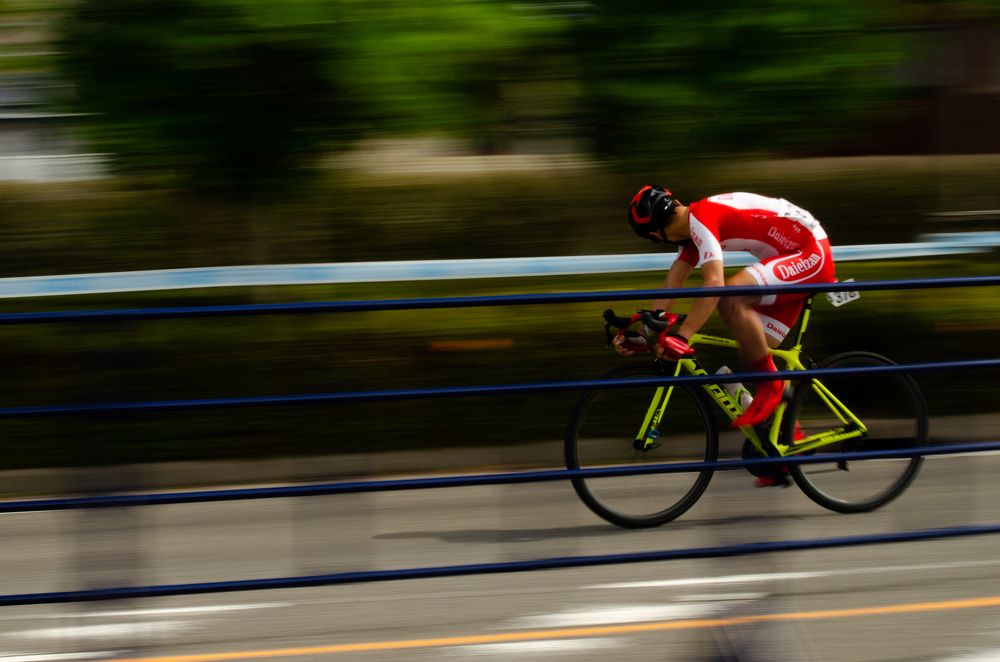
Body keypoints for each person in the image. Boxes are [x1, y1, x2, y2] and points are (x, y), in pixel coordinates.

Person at [616, 185, 836, 429]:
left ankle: (772, 386)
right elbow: (673, 283)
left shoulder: (702, 218)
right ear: (675, 202)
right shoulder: (693, 225)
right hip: (797, 252)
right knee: (752, 346)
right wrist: (644, 334)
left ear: (656, 236)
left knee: (731, 298)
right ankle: (787, 437)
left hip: (810, 253)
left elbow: (714, 283)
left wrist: (683, 336)